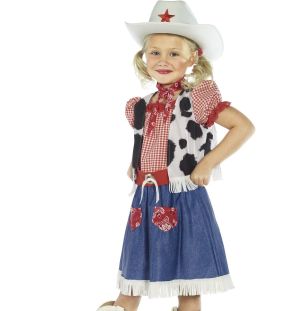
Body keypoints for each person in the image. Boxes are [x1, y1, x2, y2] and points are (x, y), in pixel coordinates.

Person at [97, 1, 255, 311]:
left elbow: (243, 126)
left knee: (188, 281)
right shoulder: (140, 105)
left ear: (192, 58)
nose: (163, 60)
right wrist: (135, 163)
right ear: (144, 56)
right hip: (146, 197)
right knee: (133, 276)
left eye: (174, 53)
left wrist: (208, 163)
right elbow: (149, 139)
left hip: (183, 195)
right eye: (155, 52)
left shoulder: (196, 98)